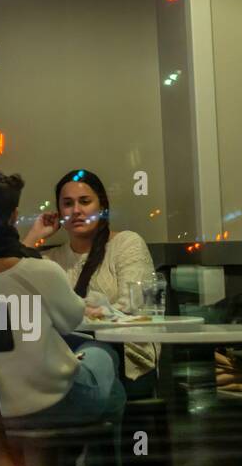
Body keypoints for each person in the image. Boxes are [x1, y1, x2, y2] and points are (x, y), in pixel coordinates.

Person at [0, 171, 124, 466]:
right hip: (47, 403)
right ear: (14, 215)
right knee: (104, 356)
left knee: (105, 386)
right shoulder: (41, 271)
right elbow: (74, 321)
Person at [22, 169, 159, 397]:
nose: (76, 210)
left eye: (85, 201)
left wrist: (72, 313)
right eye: (67, 204)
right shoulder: (50, 259)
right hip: (62, 355)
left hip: (125, 357)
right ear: (59, 212)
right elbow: (12, 287)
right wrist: (33, 237)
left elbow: (132, 306)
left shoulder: (126, 244)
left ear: (102, 208)